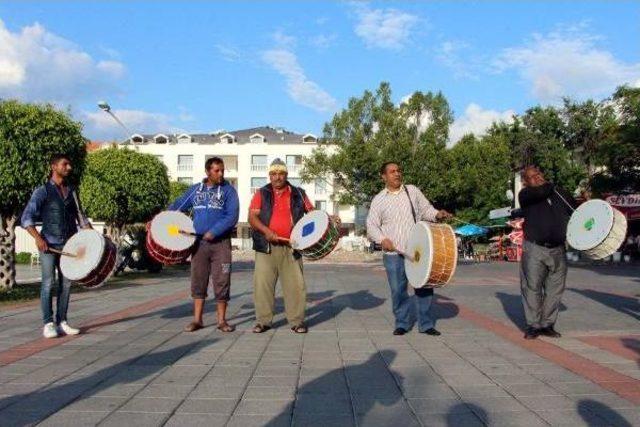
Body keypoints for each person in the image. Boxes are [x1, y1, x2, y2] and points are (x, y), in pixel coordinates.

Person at [366, 161, 452, 336]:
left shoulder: (412, 191)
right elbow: (371, 225)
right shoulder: (378, 200)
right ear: (383, 176)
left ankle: (426, 324)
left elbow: (427, 210)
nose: (397, 174)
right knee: (398, 289)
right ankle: (402, 323)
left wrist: (437, 214)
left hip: (418, 250)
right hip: (393, 253)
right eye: (392, 172)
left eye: (398, 171)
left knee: (424, 286)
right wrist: (382, 239)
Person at [248, 158, 330, 334]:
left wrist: (328, 218)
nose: (277, 177)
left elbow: (312, 214)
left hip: (293, 246)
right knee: (262, 285)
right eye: (274, 174)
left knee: (295, 285)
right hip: (266, 246)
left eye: (281, 173)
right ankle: (263, 321)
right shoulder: (261, 193)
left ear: (286, 175)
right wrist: (266, 231)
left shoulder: (298, 193)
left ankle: (297, 321)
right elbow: (252, 218)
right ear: (269, 175)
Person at [21, 154, 91, 338]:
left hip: (69, 246)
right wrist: (38, 238)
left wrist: (92, 235)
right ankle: (48, 323)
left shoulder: (72, 191)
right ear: (54, 166)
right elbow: (26, 218)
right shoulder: (42, 191)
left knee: (66, 284)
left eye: (70, 164)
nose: (69, 167)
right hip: (48, 245)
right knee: (48, 283)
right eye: (64, 164)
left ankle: (63, 322)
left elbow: (80, 217)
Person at [169, 156, 239, 332]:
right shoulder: (195, 191)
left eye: (222, 170)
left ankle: (222, 321)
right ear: (208, 171)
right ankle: (197, 320)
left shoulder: (229, 191)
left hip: (221, 244)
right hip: (198, 244)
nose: (221, 174)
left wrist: (214, 231)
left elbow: (232, 216)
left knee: (222, 280)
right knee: (198, 280)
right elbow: (178, 206)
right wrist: (159, 219)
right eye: (217, 170)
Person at [518, 165, 576, 339]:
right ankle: (533, 325)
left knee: (555, 289)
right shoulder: (526, 195)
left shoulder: (559, 193)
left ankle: (547, 324)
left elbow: (574, 209)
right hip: (535, 248)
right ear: (525, 182)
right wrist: (551, 185)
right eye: (532, 177)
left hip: (558, 248)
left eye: (538, 174)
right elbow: (541, 192)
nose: (537, 177)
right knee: (532, 287)